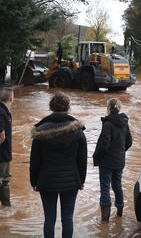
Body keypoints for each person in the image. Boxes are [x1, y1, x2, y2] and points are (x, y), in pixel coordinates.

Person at [30, 92, 87, 238]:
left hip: (46, 180)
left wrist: (33, 181)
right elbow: (82, 160)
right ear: (68, 108)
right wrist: (81, 180)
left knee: (49, 218)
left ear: (51, 107)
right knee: (67, 217)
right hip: (71, 180)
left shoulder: (40, 131)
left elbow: (35, 160)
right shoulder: (78, 131)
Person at [93, 98, 132, 222]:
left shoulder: (108, 124)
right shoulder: (124, 123)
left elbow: (104, 145)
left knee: (105, 187)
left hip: (106, 162)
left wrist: (97, 156)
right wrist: (120, 152)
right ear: (119, 108)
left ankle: (105, 217)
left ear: (109, 108)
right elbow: (129, 142)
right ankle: (120, 211)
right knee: (117, 186)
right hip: (119, 161)